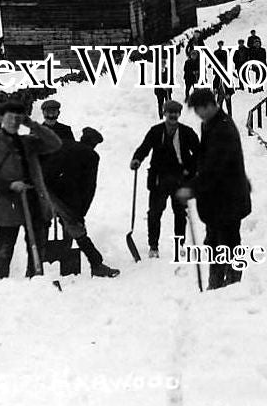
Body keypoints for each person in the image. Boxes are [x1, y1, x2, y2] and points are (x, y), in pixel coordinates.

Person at [176, 89, 251, 290]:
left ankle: (233, 285)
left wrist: (191, 189)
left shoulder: (223, 129)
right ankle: (216, 284)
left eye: (200, 109)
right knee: (214, 242)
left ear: (210, 105)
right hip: (217, 200)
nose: (199, 114)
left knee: (229, 242)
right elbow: (204, 159)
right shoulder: (209, 124)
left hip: (229, 198)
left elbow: (215, 168)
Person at [0, 100, 62, 279]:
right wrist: (9, 185)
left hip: (33, 201)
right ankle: (2, 286)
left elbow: (55, 144)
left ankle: (35, 283)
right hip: (8, 205)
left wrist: (31, 124)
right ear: (1, 118)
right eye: (10, 117)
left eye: (18, 118)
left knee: (37, 247)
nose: (14, 121)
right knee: (6, 249)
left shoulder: (29, 142)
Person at [42, 127, 120, 278]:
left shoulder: (65, 144)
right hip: (67, 197)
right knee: (77, 229)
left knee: (42, 223)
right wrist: (80, 213)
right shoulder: (91, 156)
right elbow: (89, 188)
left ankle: (34, 264)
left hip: (46, 188)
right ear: (94, 144)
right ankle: (96, 264)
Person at [130, 101, 200, 258]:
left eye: (176, 113)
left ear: (179, 115)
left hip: (180, 180)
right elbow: (144, 148)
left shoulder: (187, 132)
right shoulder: (156, 131)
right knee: (154, 213)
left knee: (180, 213)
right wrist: (137, 159)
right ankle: (153, 246)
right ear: (164, 114)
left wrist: (192, 171)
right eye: (170, 113)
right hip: (159, 180)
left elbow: (199, 153)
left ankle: (179, 244)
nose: (173, 116)